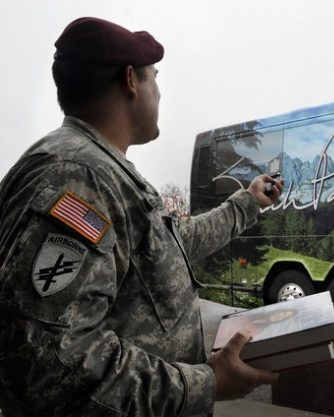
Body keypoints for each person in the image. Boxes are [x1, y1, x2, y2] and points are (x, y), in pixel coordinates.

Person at [0, 17, 282, 417]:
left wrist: (248, 202)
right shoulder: (79, 177)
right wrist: (207, 383)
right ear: (131, 80)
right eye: (155, 78)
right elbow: (49, 364)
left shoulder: (101, 171)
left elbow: (169, 247)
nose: (160, 92)